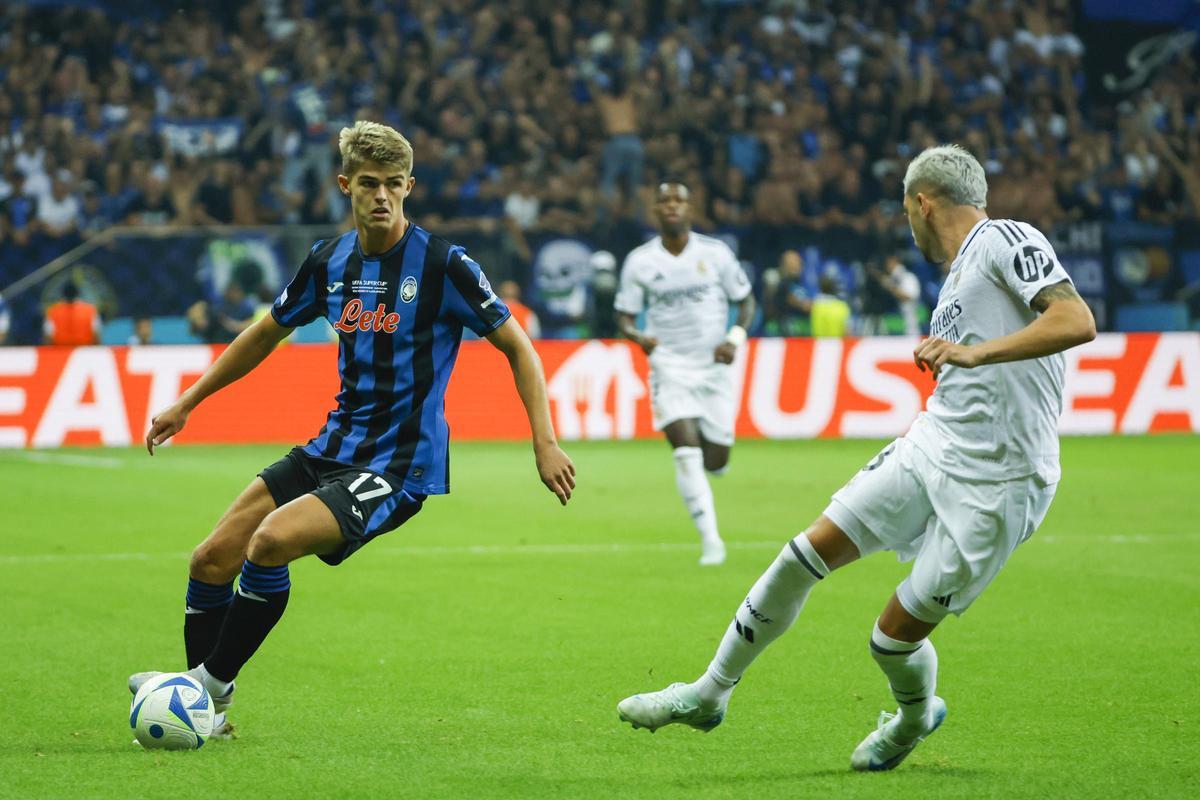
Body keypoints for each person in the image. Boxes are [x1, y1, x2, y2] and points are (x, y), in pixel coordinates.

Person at [616, 144, 1096, 771]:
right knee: (802, 555)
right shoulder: (954, 275)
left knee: (891, 641)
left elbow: (1075, 318)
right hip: (934, 443)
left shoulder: (1007, 237)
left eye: (906, 210)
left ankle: (914, 718)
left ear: (922, 203)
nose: (908, 223)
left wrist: (976, 353)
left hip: (1002, 480)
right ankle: (709, 694)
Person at [129, 121, 576, 739]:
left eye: (395, 184)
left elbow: (519, 347)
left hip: (396, 466)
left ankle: (202, 691)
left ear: (410, 186)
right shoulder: (329, 261)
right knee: (211, 559)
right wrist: (189, 401)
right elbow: (265, 333)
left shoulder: (444, 264)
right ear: (346, 185)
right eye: (369, 184)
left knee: (268, 541)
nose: (382, 197)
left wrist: (544, 439)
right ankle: (208, 714)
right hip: (331, 446)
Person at [615, 181, 755, 566]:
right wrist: (637, 336)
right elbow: (624, 315)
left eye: (678, 200)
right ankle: (712, 541)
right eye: (663, 201)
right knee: (686, 452)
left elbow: (745, 301)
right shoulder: (640, 262)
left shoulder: (716, 254)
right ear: (655, 211)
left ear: (691, 209)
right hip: (669, 365)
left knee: (715, 459)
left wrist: (734, 336)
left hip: (714, 366)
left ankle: (720, 461)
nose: (671, 206)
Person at [43, 280, 100, 346]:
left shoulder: (53, 311)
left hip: (61, 352)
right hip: (84, 351)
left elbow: (48, 336)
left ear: (63, 294)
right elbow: (96, 334)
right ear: (78, 293)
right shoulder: (90, 310)